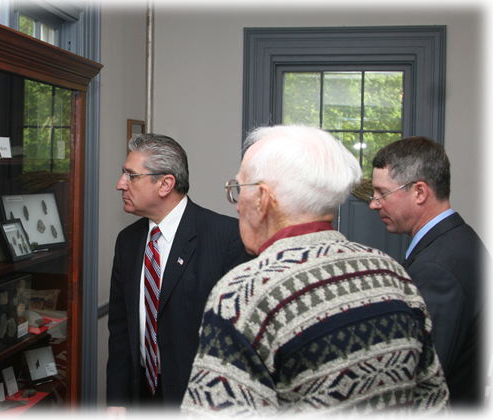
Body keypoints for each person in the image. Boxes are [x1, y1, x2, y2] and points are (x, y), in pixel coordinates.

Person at [181, 125, 448, 415]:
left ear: (262, 198)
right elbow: (434, 403)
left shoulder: (245, 294)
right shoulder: (392, 274)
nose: (236, 206)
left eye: (238, 189)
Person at [107, 133, 249, 411]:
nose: (120, 184)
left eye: (130, 175)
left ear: (165, 184)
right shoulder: (127, 241)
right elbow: (121, 330)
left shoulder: (227, 238)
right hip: (141, 398)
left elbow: (238, 340)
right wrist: (116, 402)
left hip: (200, 400)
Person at [369, 136, 486, 406]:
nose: (373, 203)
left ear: (419, 192)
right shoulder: (461, 239)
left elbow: (425, 376)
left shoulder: (437, 269)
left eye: (381, 193)